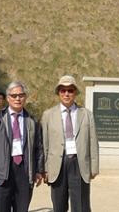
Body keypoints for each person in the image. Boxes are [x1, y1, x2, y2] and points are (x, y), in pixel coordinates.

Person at [0, 81, 44, 212]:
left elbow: (39, 147)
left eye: (21, 95)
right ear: (8, 98)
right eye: (14, 95)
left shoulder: (32, 120)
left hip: (24, 171)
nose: (17, 98)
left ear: (25, 97)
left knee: (22, 208)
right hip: (3, 171)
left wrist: (39, 169)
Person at [41, 75, 99, 212]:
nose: (66, 94)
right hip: (57, 165)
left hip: (78, 163)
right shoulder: (48, 115)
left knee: (81, 205)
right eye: (63, 90)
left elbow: (93, 141)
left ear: (75, 93)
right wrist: (44, 168)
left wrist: (94, 166)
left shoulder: (86, 114)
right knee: (59, 205)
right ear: (58, 93)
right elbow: (44, 144)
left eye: (70, 90)